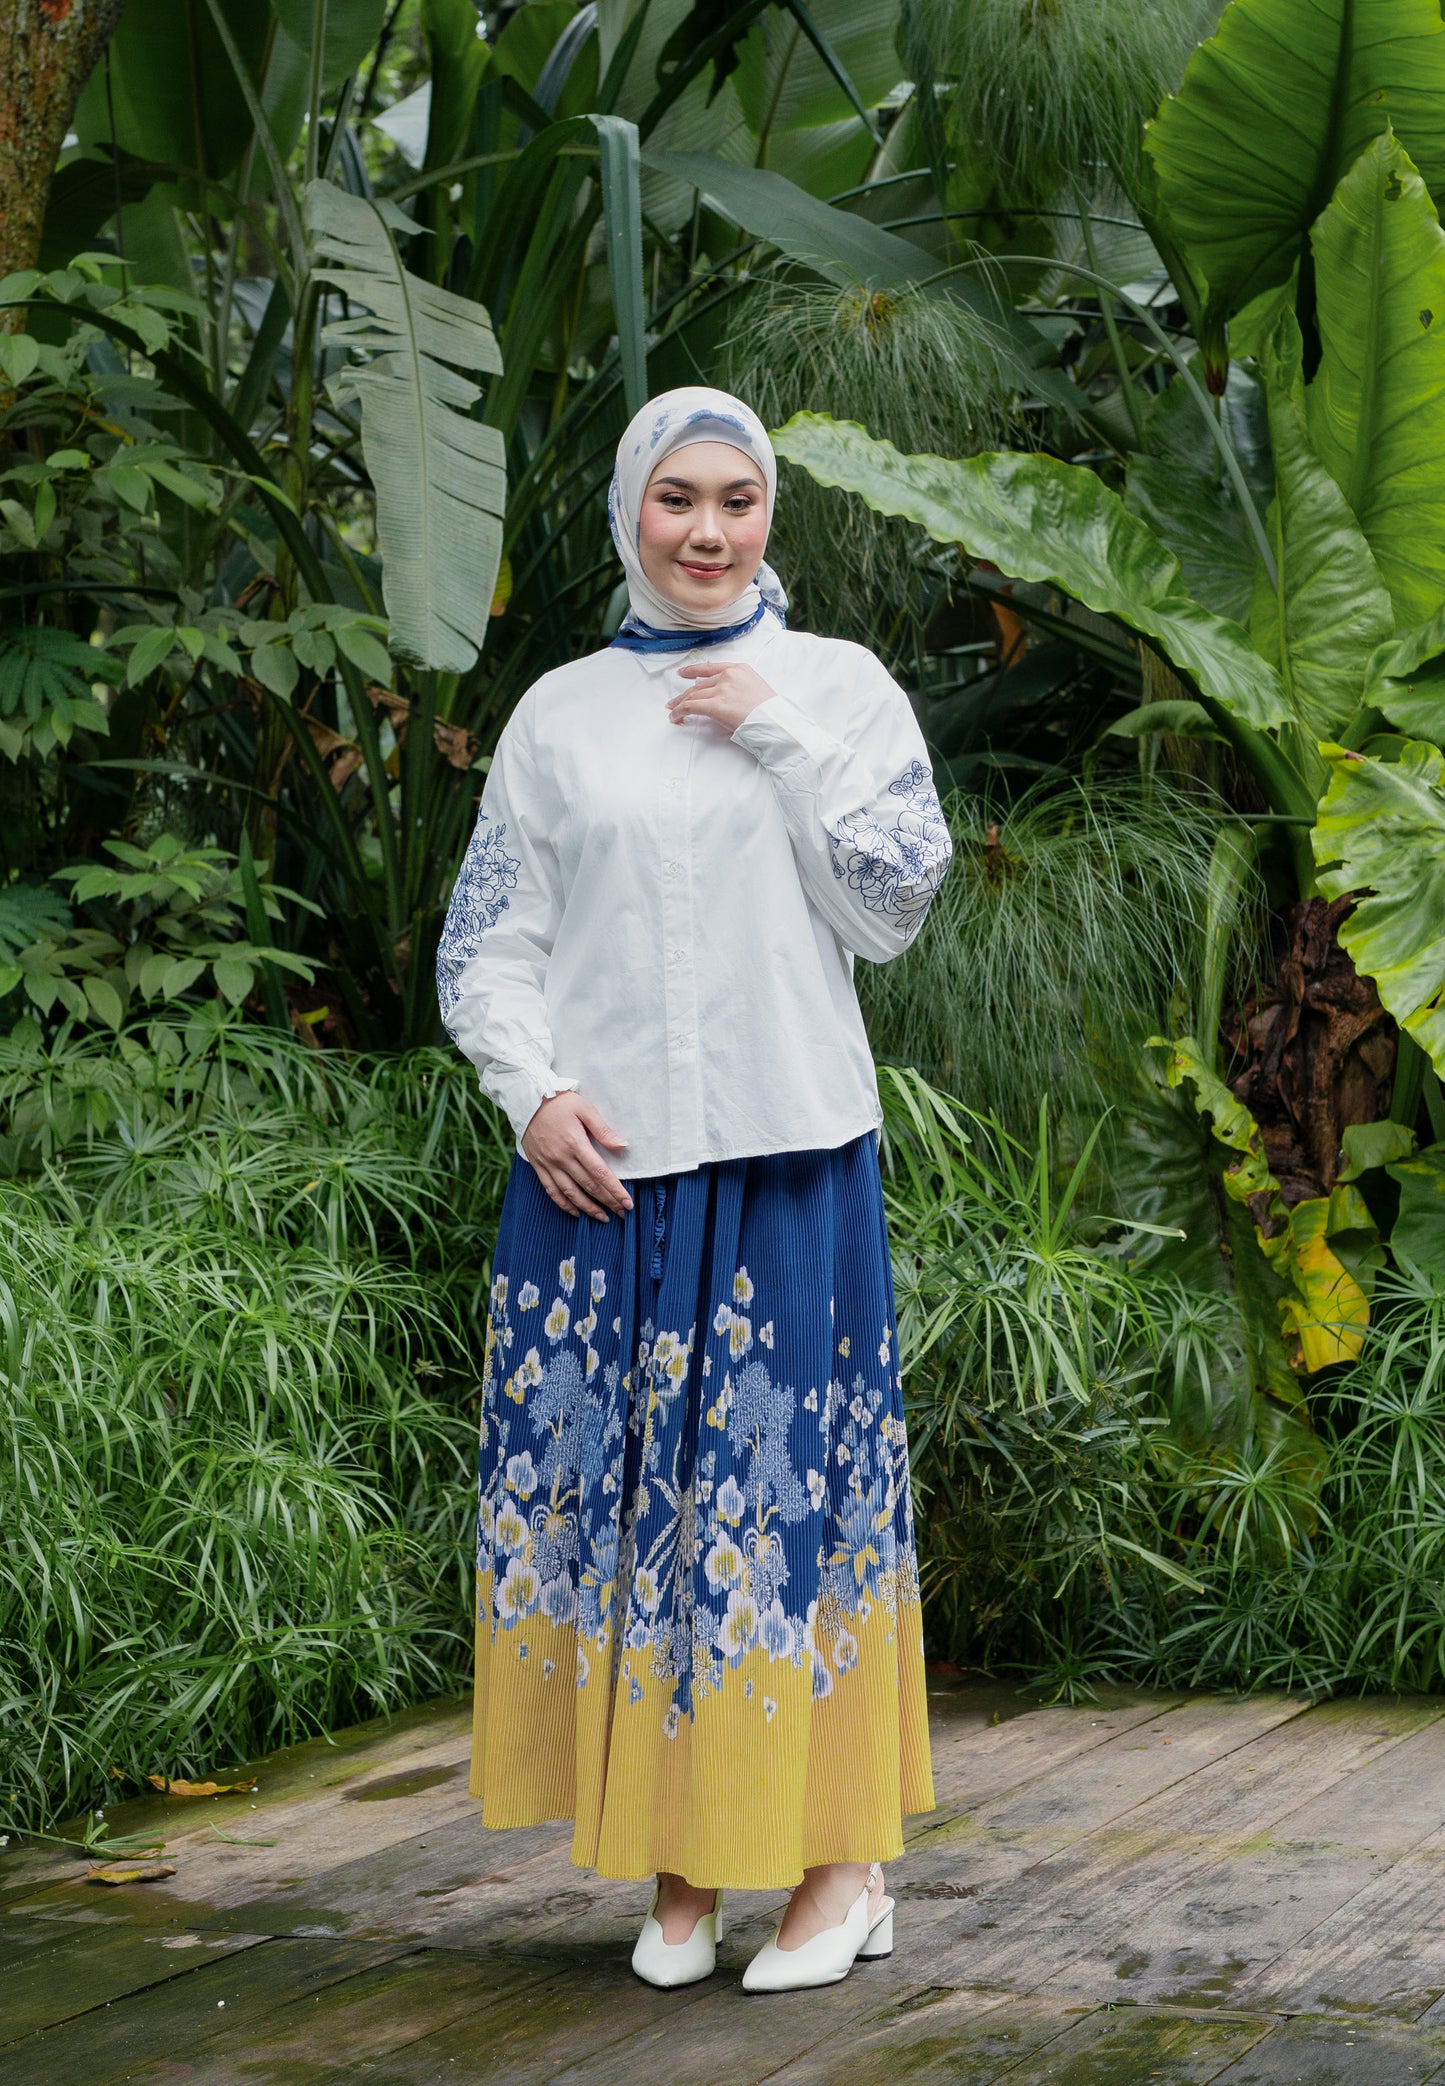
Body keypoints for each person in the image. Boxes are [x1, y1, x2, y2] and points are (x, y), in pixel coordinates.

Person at [437, 386, 952, 1994]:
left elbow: (891, 906)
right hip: (603, 1180)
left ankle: (840, 1865)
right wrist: (532, 1094)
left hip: (787, 1160)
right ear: (629, 512)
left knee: (783, 1511)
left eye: (737, 498)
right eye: (677, 499)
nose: (708, 530)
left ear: (769, 511)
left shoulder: (838, 689)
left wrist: (777, 733)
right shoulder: (558, 716)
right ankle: (680, 1863)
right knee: (637, 1518)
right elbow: (487, 942)